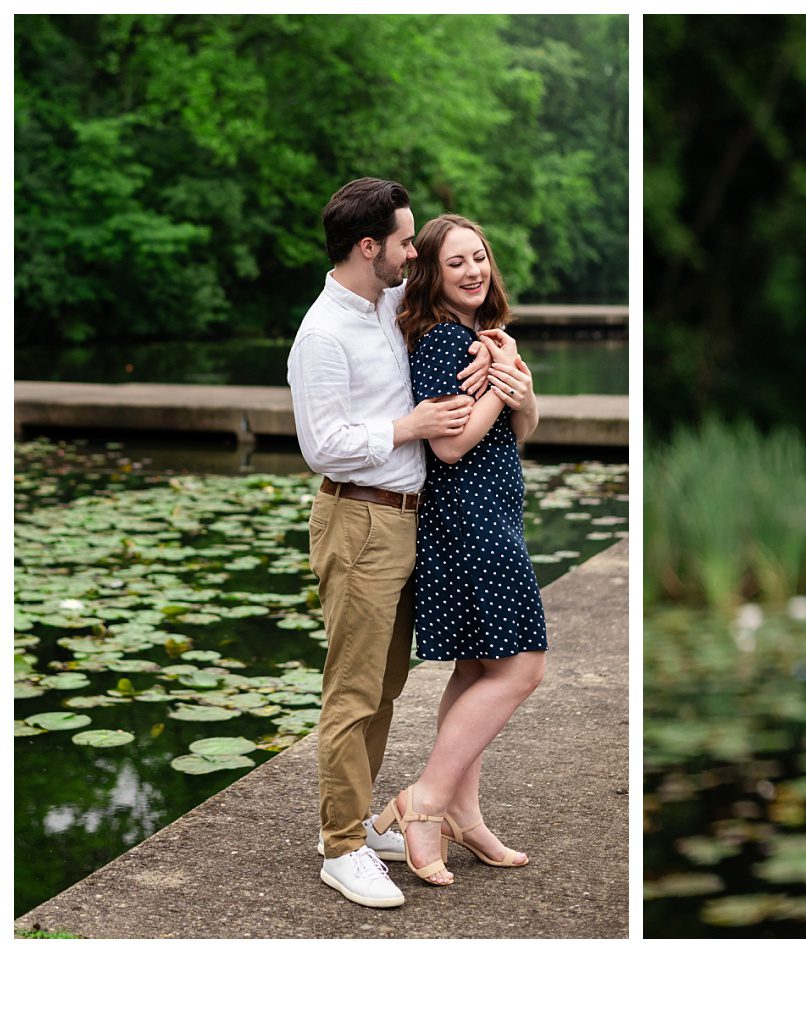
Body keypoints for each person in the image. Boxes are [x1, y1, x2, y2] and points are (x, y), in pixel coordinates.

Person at [289, 178, 480, 908]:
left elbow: (450, 289)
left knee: (388, 685)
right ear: (369, 247)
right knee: (353, 689)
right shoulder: (323, 333)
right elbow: (324, 445)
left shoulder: (387, 304)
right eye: (405, 240)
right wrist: (413, 426)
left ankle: (360, 824)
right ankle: (339, 847)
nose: (414, 251)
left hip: (407, 517)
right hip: (358, 517)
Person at [371, 213, 547, 887]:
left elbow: (521, 424)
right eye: (456, 263)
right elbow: (448, 443)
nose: (473, 270)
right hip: (467, 519)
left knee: (479, 668)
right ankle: (426, 801)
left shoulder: (482, 336)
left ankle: (464, 818)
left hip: (494, 511)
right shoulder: (445, 340)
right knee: (522, 667)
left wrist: (517, 390)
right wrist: (502, 388)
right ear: (432, 275)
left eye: (480, 257)